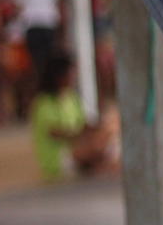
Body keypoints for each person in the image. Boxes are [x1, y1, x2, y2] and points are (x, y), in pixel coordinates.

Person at [29, 51, 118, 180]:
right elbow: (56, 133)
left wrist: (101, 128)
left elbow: (84, 123)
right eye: (70, 74)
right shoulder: (43, 103)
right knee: (97, 151)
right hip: (57, 158)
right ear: (58, 76)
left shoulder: (71, 98)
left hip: (75, 147)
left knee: (108, 140)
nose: (73, 78)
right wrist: (86, 136)